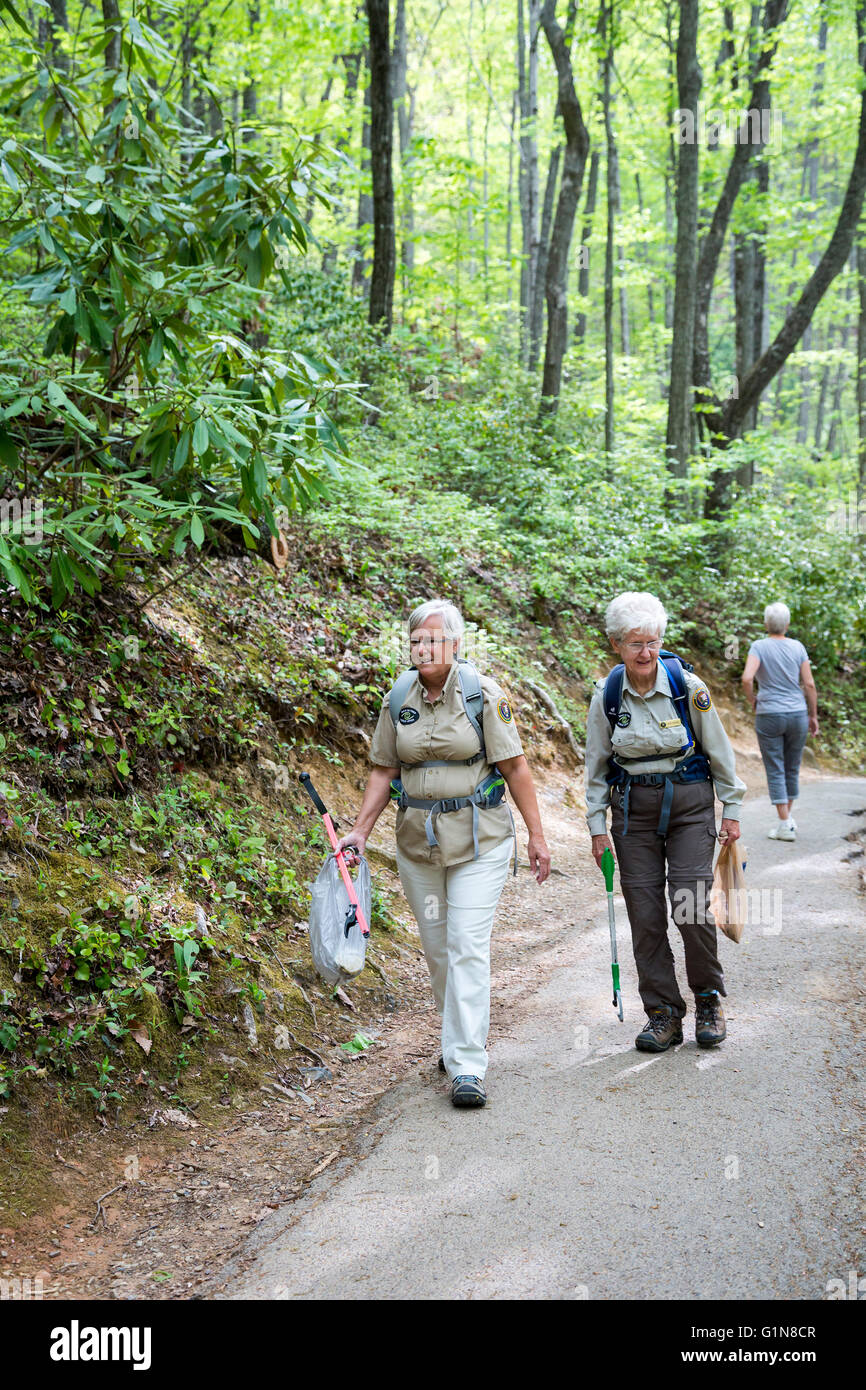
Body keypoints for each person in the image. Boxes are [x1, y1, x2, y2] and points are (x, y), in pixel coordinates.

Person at [336, 599, 551, 1108]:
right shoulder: (398, 696)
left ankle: (468, 1065)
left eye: (433, 640)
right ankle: (457, 1038)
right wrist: (360, 832)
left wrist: (538, 836)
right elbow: (384, 770)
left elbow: (516, 768)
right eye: (415, 641)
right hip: (417, 844)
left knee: (466, 944)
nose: (423, 648)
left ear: (455, 645)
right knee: (438, 949)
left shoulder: (481, 695)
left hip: (481, 841)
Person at [584, 592, 746, 1052]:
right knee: (646, 914)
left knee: (690, 902)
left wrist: (731, 811)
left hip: (691, 805)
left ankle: (709, 999)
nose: (646, 652)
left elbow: (720, 751)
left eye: (652, 641)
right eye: (635, 643)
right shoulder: (607, 695)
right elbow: (595, 766)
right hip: (632, 811)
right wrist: (597, 826)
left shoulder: (687, 686)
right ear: (616, 643)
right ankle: (663, 1013)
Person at [740, 602, 819, 842]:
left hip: (769, 714)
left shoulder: (759, 646)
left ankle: (785, 822)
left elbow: (747, 678)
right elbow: (810, 684)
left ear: (766, 624)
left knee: (775, 768)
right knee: (792, 767)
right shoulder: (798, 647)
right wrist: (813, 715)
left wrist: (753, 699)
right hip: (797, 714)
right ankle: (786, 821)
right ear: (787, 624)